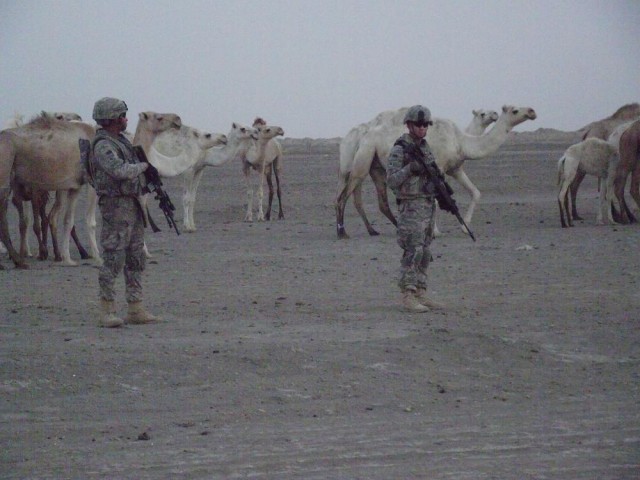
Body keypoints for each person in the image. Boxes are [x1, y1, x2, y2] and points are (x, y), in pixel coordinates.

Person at [90, 97, 159, 327]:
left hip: (132, 204)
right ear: (112, 119)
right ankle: (106, 310)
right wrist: (143, 167)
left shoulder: (121, 142)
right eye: (121, 116)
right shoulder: (103, 145)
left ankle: (135, 307)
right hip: (115, 207)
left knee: (135, 257)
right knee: (113, 257)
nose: (125, 119)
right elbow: (118, 170)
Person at [386, 105, 445, 313]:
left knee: (426, 250)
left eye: (425, 125)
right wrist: (410, 169)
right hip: (411, 207)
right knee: (413, 250)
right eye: (418, 124)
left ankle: (421, 291)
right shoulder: (400, 149)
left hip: (427, 206)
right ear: (410, 125)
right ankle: (408, 295)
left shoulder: (425, 148)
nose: (422, 128)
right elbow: (391, 181)